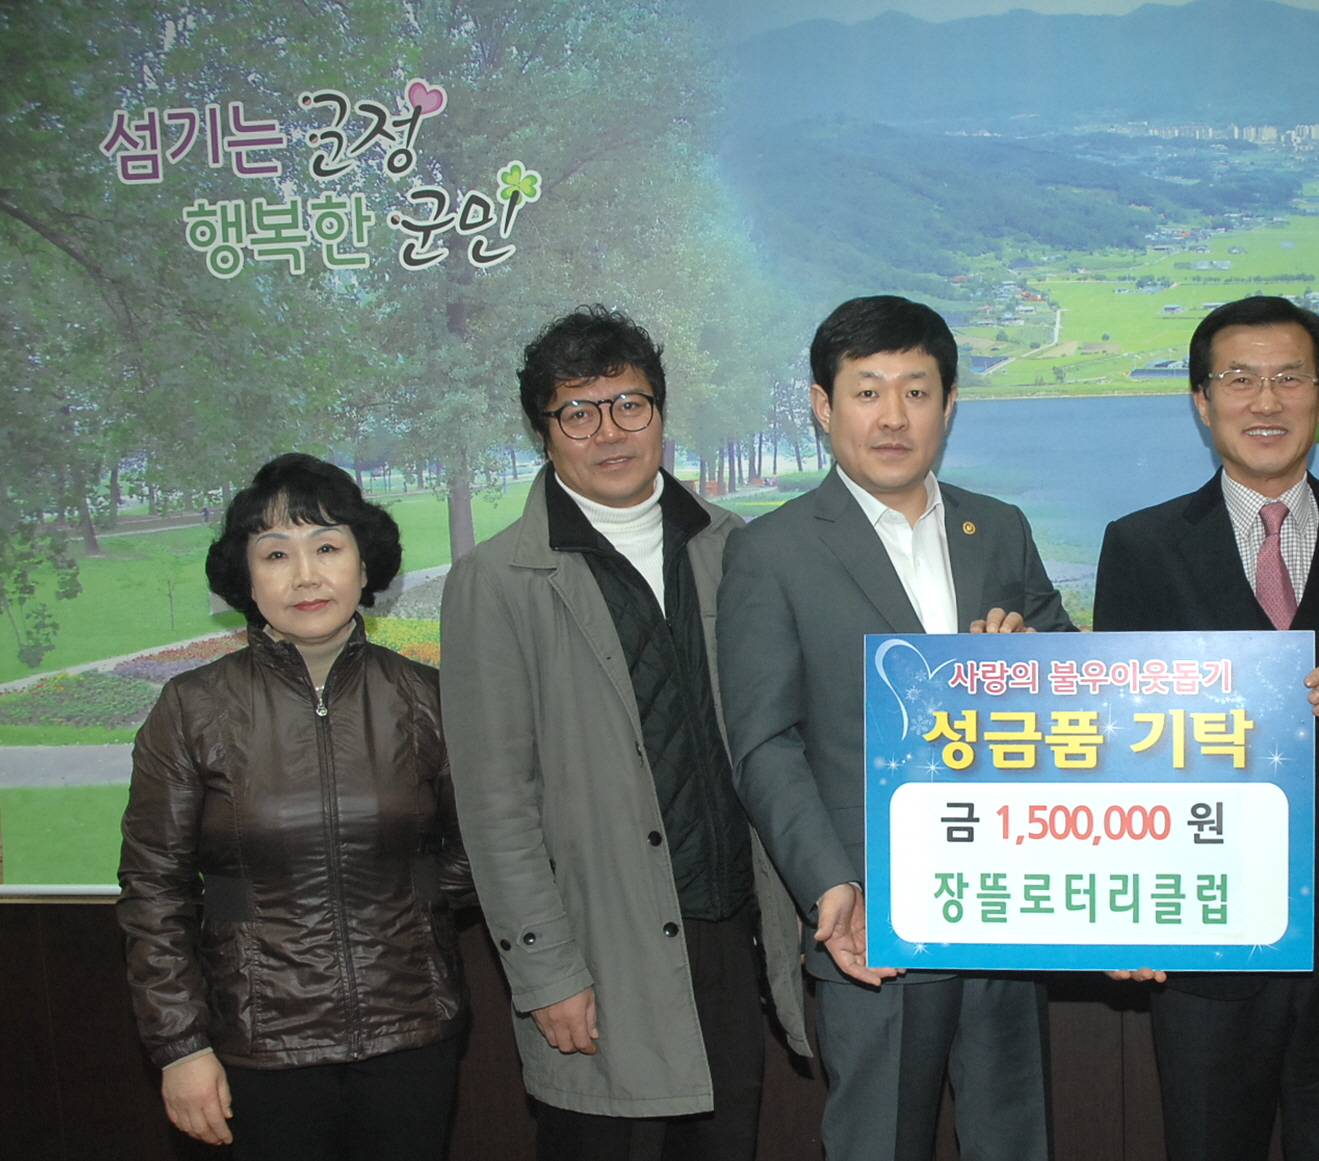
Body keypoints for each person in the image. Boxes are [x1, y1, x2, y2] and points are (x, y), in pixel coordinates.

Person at [1092, 295, 1319, 1161]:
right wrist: (1125, 912)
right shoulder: (1142, 545)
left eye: (1289, 378)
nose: (1265, 401)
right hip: (1202, 935)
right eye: (1239, 379)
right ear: (1201, 401)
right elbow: (1114, 743)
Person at [440, 306, 807, 1160]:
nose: (609, 431)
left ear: (660, 413)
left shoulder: (732, 547)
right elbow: (495, 804)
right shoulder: (497, 581)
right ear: (543, 432)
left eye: (629, 404)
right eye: (578, 411)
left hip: (730, 931)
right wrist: (546, 971)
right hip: (601, 949)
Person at [717, 294, 1073, 1161]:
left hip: (1006, 905)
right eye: (867, 391)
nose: (892, 416)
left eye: (916, 391)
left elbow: (1075, 690)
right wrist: (828, 885)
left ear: (948, 406)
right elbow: (765, 743)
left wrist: (1031, 665)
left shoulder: (999, 527)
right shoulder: (772, 551)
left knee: (1014, 1142)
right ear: (822, 404)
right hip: (871, 922)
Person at [118, 453, 472, 1160]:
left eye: (328, 547)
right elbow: (154, 889)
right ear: (247, 579)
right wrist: (180, 1046)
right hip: (256, 1046)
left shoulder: (428, 697)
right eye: (276, 554)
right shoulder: (192, 708)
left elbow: (481, 848)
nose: (306, 575)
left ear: (365, 567)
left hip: (410, 1034)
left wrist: (408, 910)